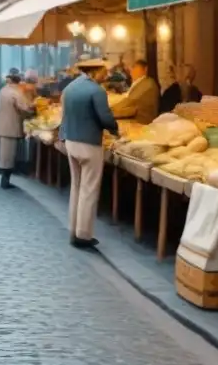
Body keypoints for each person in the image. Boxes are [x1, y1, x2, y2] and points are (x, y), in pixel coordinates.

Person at [59, 59, 118, 249]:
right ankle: (83, 235)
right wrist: (116, 129)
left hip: (71, 141)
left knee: (76, 187)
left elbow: (64, 115)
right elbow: (105, 117)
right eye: (104, 71)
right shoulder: (96, 91)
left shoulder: (70, 88)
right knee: (89, 190)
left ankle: (72, 229)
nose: (106, 75)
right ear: (95, 71)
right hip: (89, 143)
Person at [0, 73, 32, 189]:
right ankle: (5, 181)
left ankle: (4, 179)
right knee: (9, 155)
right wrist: (32, 110)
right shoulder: (16, 92)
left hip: (3, 126)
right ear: (18, 82)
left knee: (4, 154)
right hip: (12, 126)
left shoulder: (3, 90)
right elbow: (24, 107)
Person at [111, 59, 160, 124]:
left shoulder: (148, 83)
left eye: (135, 67)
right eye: (132, 68)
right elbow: (127, 97)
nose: (132, 71)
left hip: (143, 121)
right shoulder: (139, 81)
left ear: (145, 69)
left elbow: (130, 101)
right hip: (133, 116)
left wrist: (110, 109)